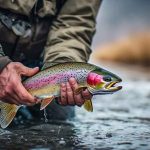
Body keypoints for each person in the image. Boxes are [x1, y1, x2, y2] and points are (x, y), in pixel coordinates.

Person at [0, 0, 101, 123]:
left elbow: (74, 26)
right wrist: (2, 64)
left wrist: (62, 67)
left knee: (59, 114)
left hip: (34, 64)